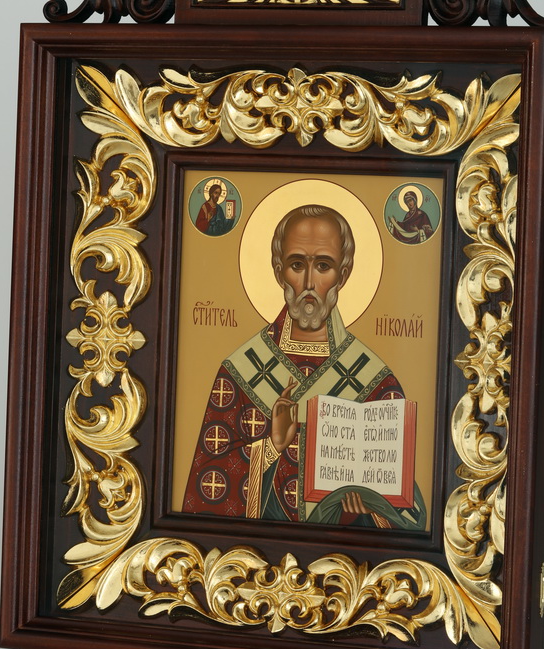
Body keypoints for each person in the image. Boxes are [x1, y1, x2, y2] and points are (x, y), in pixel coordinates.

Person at [182, 205, 425, 529]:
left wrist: (369, 508)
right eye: (297, 264)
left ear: (343, 274)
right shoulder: (240, 370)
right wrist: (271, 448)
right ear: (278, 270)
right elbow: (206, 491)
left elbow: (405, 516)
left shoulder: (377, 381)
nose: (309, 282)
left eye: (323, 266)